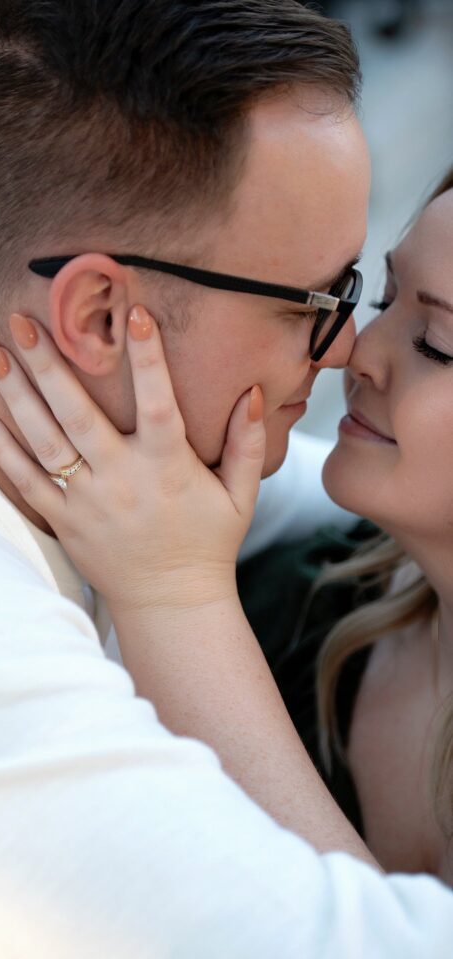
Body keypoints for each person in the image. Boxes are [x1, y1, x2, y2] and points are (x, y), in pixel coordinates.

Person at [0, 3, 452, 959]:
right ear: (99, 318)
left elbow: (316, 508)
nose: (343, 348)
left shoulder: (79, 452)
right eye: (313, 301)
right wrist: (175, 595)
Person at [237, 166, 453, 885]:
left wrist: (174, 603)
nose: (355, 350)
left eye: (436, 343)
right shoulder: (302, 604)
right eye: (385, 298)